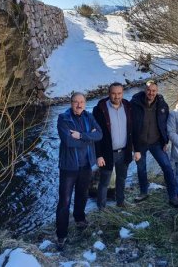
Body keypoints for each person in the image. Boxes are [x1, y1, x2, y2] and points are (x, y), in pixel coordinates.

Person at [56, 92, 103, 250]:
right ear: (71, 103)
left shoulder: (88, 117)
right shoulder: (64, 118)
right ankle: (61, 234)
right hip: (69, 167)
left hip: (86, 166)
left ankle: (79, 219)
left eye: (81, 102)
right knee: (64, 201)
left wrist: (81, 136)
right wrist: (88, 138)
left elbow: (100, 135)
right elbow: (68, 141)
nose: (79, 105)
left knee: (82, 195)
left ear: (85, 103)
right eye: (76, 102)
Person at [130, 80, 178, 208]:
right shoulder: (134, 104)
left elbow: (165, 125)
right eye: (149, 90)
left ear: (157, 91)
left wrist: (165, 141)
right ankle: (143, 192)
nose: (151, 93)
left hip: (156, 143)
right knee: (141, 169)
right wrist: (132, 146)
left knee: (167, 168)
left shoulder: (162, 105)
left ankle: (173, 196)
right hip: (140, 143)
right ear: (145, 90)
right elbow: (130, 125)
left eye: (154, 91)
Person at [93, 83, 133, 209]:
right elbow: (96, 135)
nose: (117, 96)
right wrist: (98, 154)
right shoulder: (100, 109)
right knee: (104, 182)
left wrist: (134, 149)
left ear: (123, 93)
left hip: (124, 151)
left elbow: (133, 129)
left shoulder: (127, 106)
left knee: (121, 179)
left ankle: (120, 203)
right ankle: (102, 208)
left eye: (119, 93)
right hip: (107, 153)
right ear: (109, 93)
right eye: (114, 93)